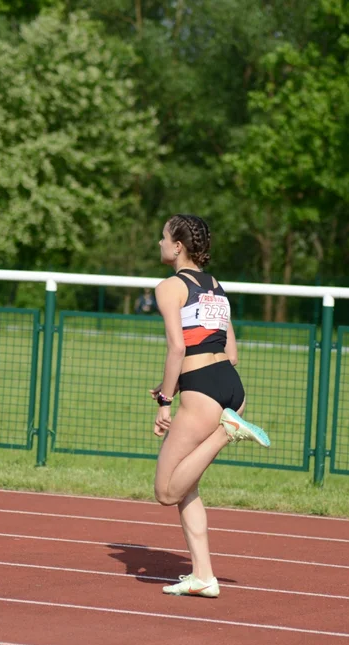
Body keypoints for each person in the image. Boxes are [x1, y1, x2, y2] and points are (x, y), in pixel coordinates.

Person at [149, 213, 270, 599]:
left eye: (163, 237)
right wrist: (176, 384)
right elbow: (230, 353)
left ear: (178, 246)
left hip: (202, 391)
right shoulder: (216, 286)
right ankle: (203, 575)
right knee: (188, 486)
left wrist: (166, 402)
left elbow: (177, 347)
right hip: (229, 385)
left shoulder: (169, 287)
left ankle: (226, 432)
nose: (159, 244)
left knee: (166, 491)